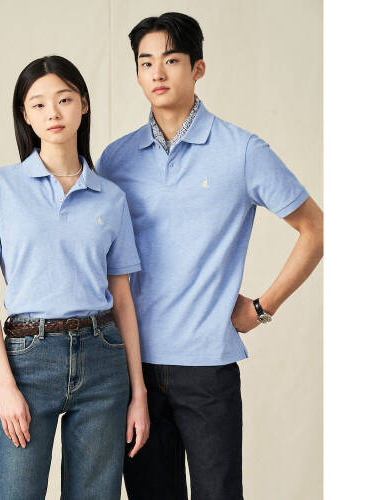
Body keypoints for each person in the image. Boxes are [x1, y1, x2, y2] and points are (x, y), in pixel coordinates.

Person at [95, 12, 324, 500]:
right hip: (132, 368)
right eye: (145, 62)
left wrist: (262, 308)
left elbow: (316, 229)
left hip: (207, 369)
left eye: (171, 60)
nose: (157, 73)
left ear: (198, 68)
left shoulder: (242, 151)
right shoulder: (116, 159)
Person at [0, 55, 150, 500]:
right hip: (29, 358)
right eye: (39, 104)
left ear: (83, 104)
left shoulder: (111, 197)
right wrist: (5, 385)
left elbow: (122, 298)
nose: (53, 113)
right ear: (25, 115)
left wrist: (138, 393)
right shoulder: (0, 186)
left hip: (103, 358)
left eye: (64, 99)